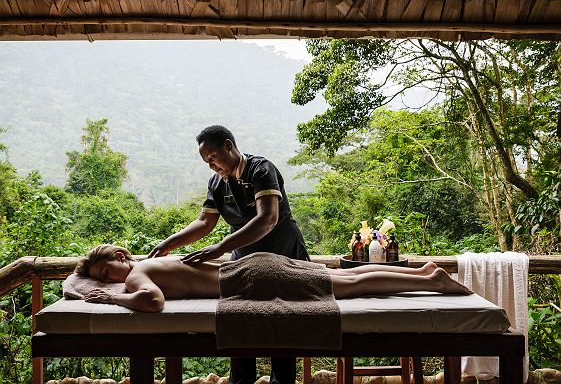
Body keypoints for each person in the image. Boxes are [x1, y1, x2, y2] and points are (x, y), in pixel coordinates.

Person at [148, 125, 310, 384]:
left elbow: (267, 219)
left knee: (282, 328)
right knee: (239, 323)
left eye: (212, 158)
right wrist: (169, 244)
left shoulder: (261, 169)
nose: (211, 166)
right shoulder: (216, 182)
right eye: (206, 162)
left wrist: (220, 248)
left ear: (228, 146)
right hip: (244, 262)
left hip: (283, 255)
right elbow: (204, 222)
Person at [78, 244, 472, 313]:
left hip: (252, 278)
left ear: (119, 258)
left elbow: (153, 303)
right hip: (256, 265)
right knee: (341, 276)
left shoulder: (137, 276)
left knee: (350, 286)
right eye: (104, 280)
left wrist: (111, 298)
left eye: (106, 273)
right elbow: (71, 283)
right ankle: (421, 271)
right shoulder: (151, 261)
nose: (109, 281)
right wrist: (96, 286)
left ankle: (433, 282)